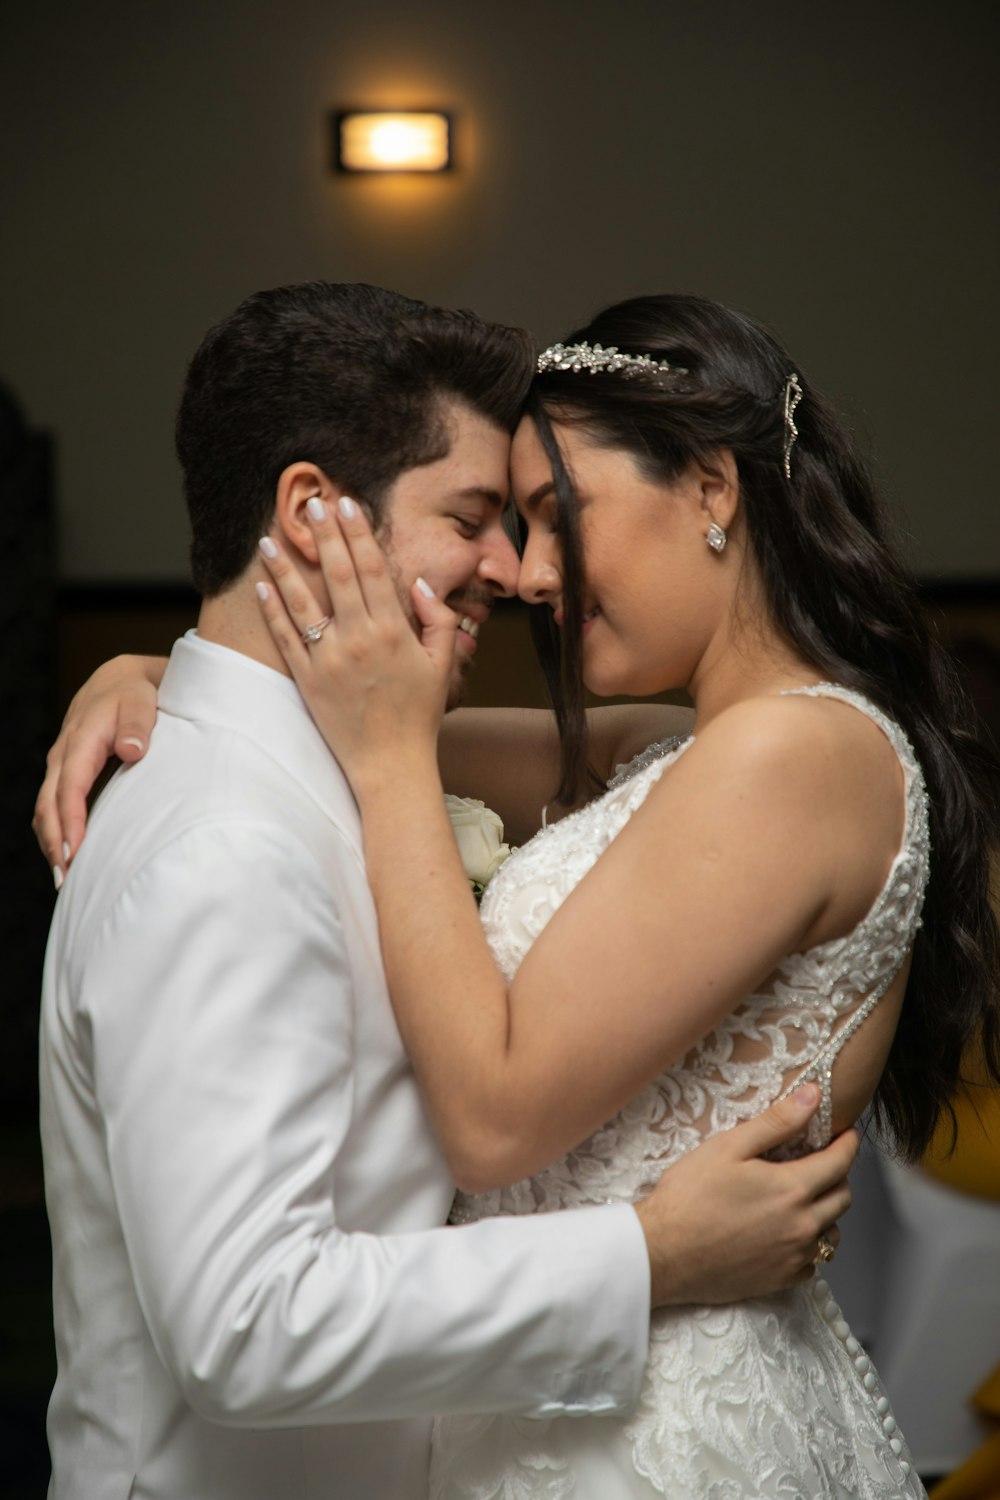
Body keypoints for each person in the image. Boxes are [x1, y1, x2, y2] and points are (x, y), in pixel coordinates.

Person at [36, 282, 857, 1500]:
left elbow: (662, 760)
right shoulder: (223, 845)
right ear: (311, 513)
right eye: (475, 516)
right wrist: (645, 1258)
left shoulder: (349, 773)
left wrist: (164, 664)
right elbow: (248, 1323)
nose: (516, 571)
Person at [239, 292, 999, 1498]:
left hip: (657, 1427)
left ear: (710, 489)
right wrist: (158, 684)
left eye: (558, 517)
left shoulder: (789, 759)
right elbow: (391, 732)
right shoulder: (700, 749)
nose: (533, 574)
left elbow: (493, 1121)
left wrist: (387, 762)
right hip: (566, 1377)